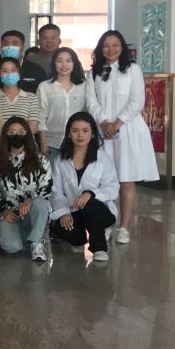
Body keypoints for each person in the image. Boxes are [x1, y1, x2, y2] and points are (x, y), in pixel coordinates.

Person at [85, 29, 158, 243]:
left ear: (122, 47)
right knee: (105, 180)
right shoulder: (94, 72)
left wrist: (116, 124)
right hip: (103, 131)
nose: (111, 49)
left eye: (115, 45)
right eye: (106, 45)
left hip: (128, 129)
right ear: (100, 49)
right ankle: (107, 223)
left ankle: (124, 227)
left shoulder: (133, 69)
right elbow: (91, 101)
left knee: (126, 179)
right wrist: (104, 123)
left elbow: (137, 101)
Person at [50, 112, 120, 262]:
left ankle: (99, 247)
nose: (80, 135)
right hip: (73, 211)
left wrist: (91, 194)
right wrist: (63, 212)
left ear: (92, 133)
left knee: (90, 205)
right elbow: (56, 192)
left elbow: (112, 188)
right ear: (69, 134)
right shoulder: (60, 159)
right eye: (75, 131)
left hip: (100, 212)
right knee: (59, 227)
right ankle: (79, 239)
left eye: (85, 130)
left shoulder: (102, 158)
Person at [0, 117, 53, 262]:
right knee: (11, 247)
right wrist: (4, 211)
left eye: (21, 132)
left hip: (31, 212)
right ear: (5, 135)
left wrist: (30, 199)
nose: (16, 135)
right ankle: (30, 236)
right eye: (11, 132)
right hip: (10, 215)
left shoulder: (41, 160)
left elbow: (46, 189)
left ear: (27, 135)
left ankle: (36, 242)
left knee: (41, 203)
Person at [37, 47, 86, 159]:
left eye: (68, 60)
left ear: (74, 63)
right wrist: (43, 144)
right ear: (54, 63)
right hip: (51, 144)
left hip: (78, 142)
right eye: (59, 61)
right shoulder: (45, 87)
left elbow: (87, 114)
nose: (64, 65)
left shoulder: (83, 86)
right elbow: (40, 116)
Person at [0, 58, 41, 137]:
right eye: (5, 71)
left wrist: (16, 140)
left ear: (19, 74)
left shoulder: (32, 98)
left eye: (13, 70)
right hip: (0, 144)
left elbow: (33, 127)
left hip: (25, 143)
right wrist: (6, 141)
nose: (9, 74)